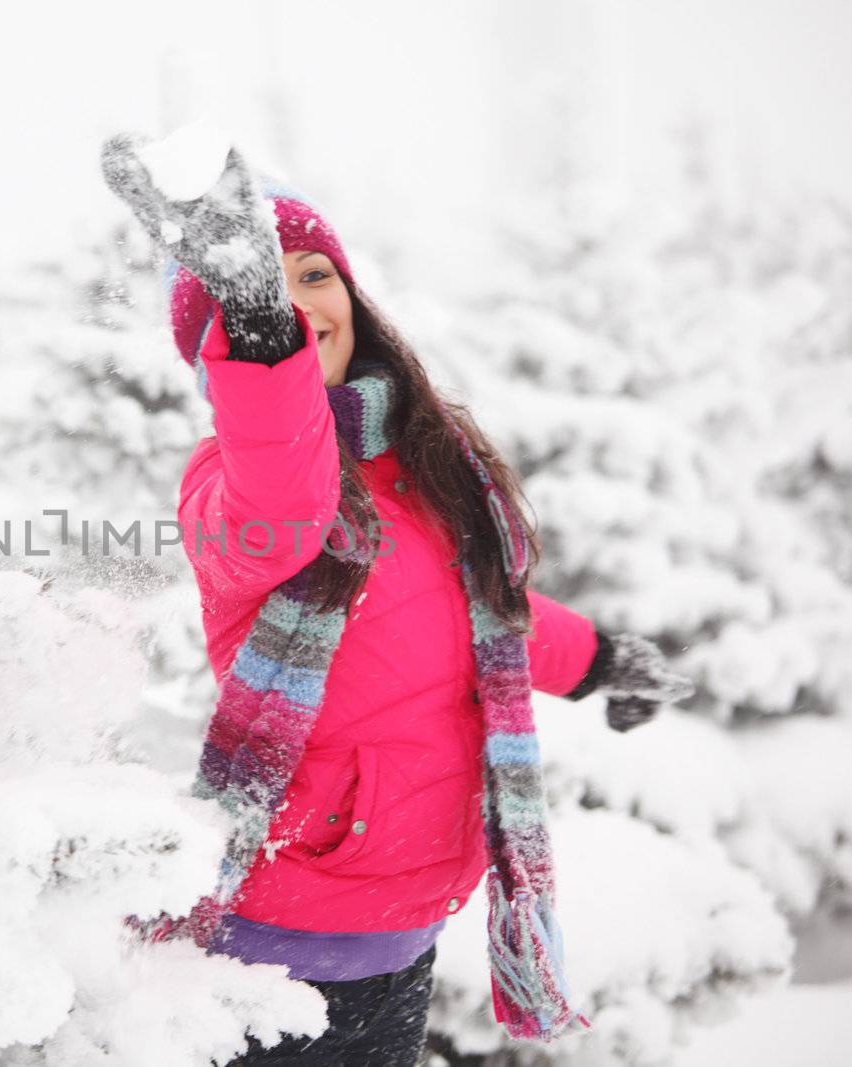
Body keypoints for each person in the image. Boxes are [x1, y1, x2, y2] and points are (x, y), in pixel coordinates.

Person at [100, 135, 695, 1066]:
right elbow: (285, 496)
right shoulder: (228, 483)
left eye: (314, 273)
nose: (301, 300)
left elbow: (486, 622)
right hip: (273, 952)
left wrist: (601, 659)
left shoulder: (422, 470)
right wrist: (262, 336)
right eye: (264, 283)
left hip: (401, 939)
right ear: (217, 334)